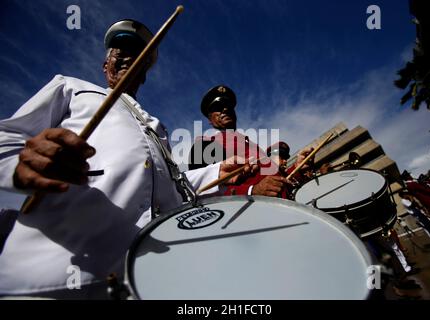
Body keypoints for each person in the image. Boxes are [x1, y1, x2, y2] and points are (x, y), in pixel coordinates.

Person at [0, 19, 255, 299]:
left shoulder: (157, 127)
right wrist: (21, 162)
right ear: (104, 65)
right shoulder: (72, 89)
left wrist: (218, 169)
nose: (124, 54)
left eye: (135, 50)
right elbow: (6, 136)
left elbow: (173, 187)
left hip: (145, 281)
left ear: (144, 70)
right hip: (53, 280)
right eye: (116, 50)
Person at [188, 85, 311, 197]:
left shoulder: (253, 145)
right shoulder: (204, 145)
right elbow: (201, 191)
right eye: (218, 107)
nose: (225, 109)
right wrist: (252, 191)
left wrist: (298, 168)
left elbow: (277, 181)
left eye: (228, 106)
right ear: (210, 119)